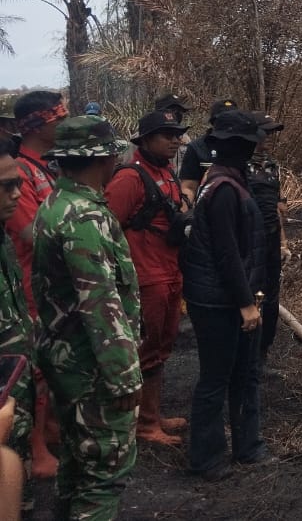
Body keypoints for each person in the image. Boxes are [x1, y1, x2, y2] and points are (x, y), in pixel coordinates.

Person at [32, 116, 142, 521]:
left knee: (78, 467)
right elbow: (99, 301)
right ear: (104, 158)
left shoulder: (57, 204)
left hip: (68, 359)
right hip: (92, 368)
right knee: (103, 475)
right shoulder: (83, 216)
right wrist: (124, 374)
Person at [181, 109, 269, 481]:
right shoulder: (222, 189)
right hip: (218, 301)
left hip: (231, 295)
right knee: (216, 378)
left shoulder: (228, 180)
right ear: (240, 147)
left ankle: (249, 447)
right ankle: (206, 458)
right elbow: (227, 252)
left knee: (245, 373)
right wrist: (246, 303)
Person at [104, 110, 191, 446]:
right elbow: (108, 229)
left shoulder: (166, 172)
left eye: (176, 134)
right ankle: (141, 426)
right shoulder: (130, 178)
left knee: (161, 346)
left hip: (169, 273)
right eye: (166, 134)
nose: (174, 140)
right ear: (145, 139)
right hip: (146, 277)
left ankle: (153, 416)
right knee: (145, 349)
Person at [9, 90, 66, 479]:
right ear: (40, 124)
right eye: (58, 119)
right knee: (34, 371)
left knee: (50, 361)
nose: (63, 124)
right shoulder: (17, 173)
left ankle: (48, 431)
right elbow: (31, 233)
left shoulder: (47, 166)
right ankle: (36, 452)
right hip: (29, 286)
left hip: (50, 285)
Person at [0, 139, 33, 499]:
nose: (17, 194)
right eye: (7, 185)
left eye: (20, 183)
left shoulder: (3, 238)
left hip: (14, 398)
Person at [247, 112, 289, 365]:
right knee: (250, 294)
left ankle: (263, 353)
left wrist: (283, 240)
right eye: (266, 131)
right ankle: (245, 353)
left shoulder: (273, 165)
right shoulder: (239, 165)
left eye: (274, 132)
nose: (271, 137)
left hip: (272, 239)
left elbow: (277, 207)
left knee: (272, 298)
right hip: (249, 242)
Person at [178, 98, 238, 204]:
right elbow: (189, 188)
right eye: (224, 120)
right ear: (213, 122)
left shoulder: (242, 147)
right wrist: (185, 213)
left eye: (233, 120)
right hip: (206, 210)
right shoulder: (197, 148)